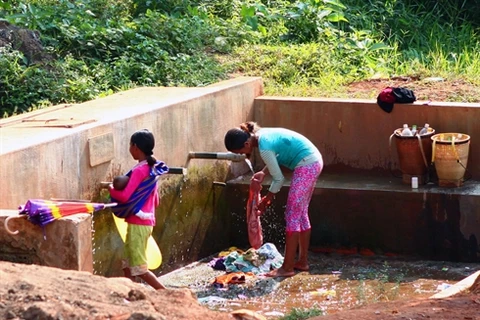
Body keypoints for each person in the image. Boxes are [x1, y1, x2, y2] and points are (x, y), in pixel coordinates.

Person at [224, 122, 323, 278]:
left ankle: (287, 267)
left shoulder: (264, 147)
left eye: (241, 151)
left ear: (246, 143)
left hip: (307, 164)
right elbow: (279, 154)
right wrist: (263, 172)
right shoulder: (262, 135)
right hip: (313, 160)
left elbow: (278, 179)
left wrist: (266, 199)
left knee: (292, 215)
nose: (243, 155)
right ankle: (302, 261)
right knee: (301, 213)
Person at [107, 129, 166, 289]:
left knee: (139, 268)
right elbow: (156, 200)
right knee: (127, 264)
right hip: (146, 222)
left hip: (138, 224)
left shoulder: (140, 170)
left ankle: (166, 293)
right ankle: (131, 295)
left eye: (130, 145)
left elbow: (125, 197)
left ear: (135, 147)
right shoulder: (153, 169)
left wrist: (111, 189)